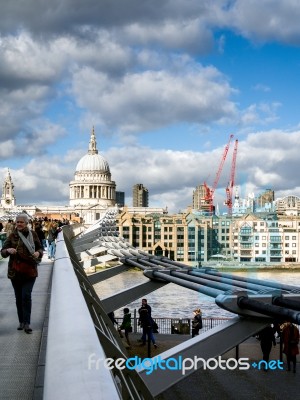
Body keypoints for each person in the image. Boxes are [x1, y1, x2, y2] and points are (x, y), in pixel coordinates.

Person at [1, 213, 43, 334]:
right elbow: (3, 252)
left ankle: (27, 323)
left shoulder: (33, 234)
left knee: (26, 296)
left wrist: (38, 253)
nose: (19, 224)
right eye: (17, 222)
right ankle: (21, 321)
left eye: (21, 222)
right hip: (15, 272)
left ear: (26, 223)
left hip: (30, 271)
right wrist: (8, 250)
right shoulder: (12, 236)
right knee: (19, 298)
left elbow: (40, 248)